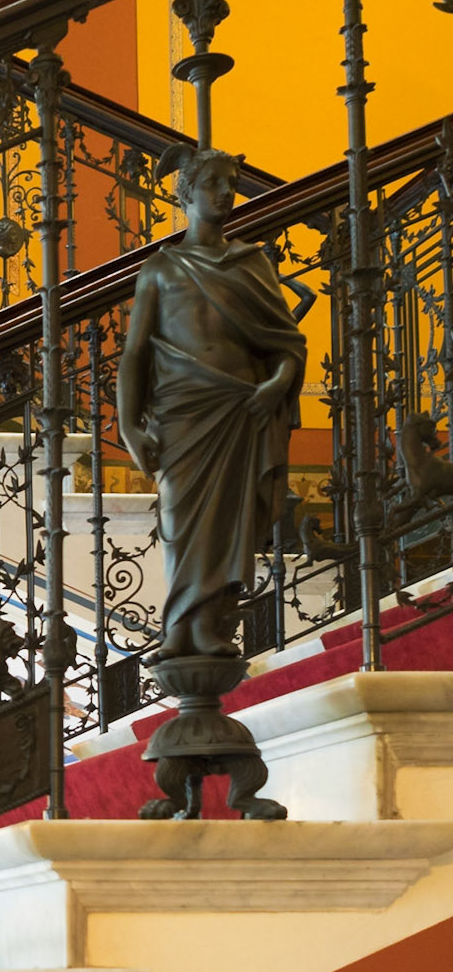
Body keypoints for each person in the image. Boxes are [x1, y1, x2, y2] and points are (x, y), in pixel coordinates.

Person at [116, 147, 306, 660]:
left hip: (240, 409)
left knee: (226, 521)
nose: (226, 194)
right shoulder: (159, 268)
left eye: (232, 184)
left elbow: (287, 345)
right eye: (214, 184)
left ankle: (206, 628)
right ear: (187, 194)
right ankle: (179, 627)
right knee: (179, 520)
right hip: (181, 411)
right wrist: (128, 426)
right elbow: (133, 354)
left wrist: (277, 385)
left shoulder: (252, 263)